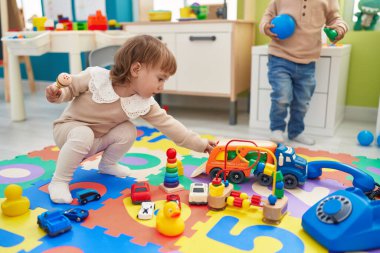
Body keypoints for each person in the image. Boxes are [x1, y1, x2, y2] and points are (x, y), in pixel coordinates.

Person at [45, 35, 216, 204]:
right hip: (69, 131)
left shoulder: (143, 102)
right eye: (160, 78)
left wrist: (200, 144)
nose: (162, 86)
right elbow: (69, 88)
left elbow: (169, 125)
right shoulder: (96, 78)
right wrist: (58, 94)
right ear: (136, 69)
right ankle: (59, 181)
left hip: (96, 140)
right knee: (83, 134)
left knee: (128, 130)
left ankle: (107, 165)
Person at [260, 0, 348, 145]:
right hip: (280, 57)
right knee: (282, 96)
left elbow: (336, 18)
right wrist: (265, 27)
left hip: (307, 61)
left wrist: (339, 29)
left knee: (302, 102)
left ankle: (296, 132)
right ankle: (276, 129)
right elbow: (268, 15)